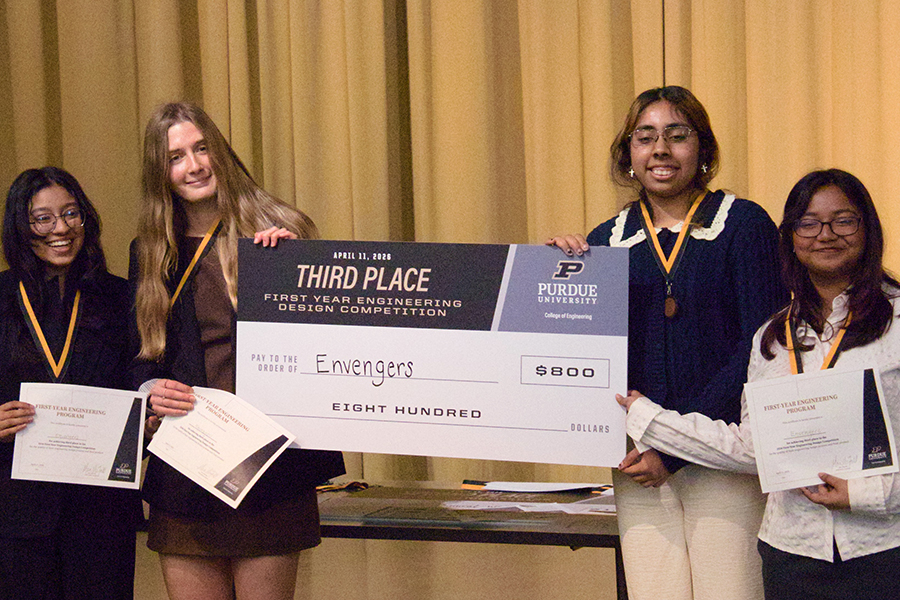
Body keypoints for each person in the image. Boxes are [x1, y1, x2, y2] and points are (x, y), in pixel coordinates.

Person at [548, 86, 785, 600]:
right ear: (628, 154)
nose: (660, 149)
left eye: (677, 136)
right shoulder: (603, 242)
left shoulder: (743, 226)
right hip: (639, 461)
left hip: (723, 455)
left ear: (702, 150)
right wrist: (555, 272)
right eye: (645, 137)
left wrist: (674, 445)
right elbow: (584, 354)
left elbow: (761, 346)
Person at [617, 168, 900, 600]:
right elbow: (753, 447)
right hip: (791, 555)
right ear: (789, 238)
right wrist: (650, 419)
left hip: (885, 552)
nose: (825, 234)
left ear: (868, 229)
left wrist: (867, 492)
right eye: (808, 223)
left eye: (844, 220)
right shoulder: (773, 337)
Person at [130, 102, 345, 600]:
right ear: (160, 172)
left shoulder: (279, 232)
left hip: (266, 469)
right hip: (184, 468)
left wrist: (290, 270)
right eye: (177, 156)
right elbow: (137, 357)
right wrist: (148, 390)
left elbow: (325, 345)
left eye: (202, 148)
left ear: (221, 153)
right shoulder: (150, 251)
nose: (194, 165)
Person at [0, 167, 141, 599]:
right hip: (16, 508)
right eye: (42, 218)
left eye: (71, 213)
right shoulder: (1, 297)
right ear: (20, 227)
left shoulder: (123, 298)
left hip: (101, 511)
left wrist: (146, 418)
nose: (60, 229)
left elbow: (144, 380)